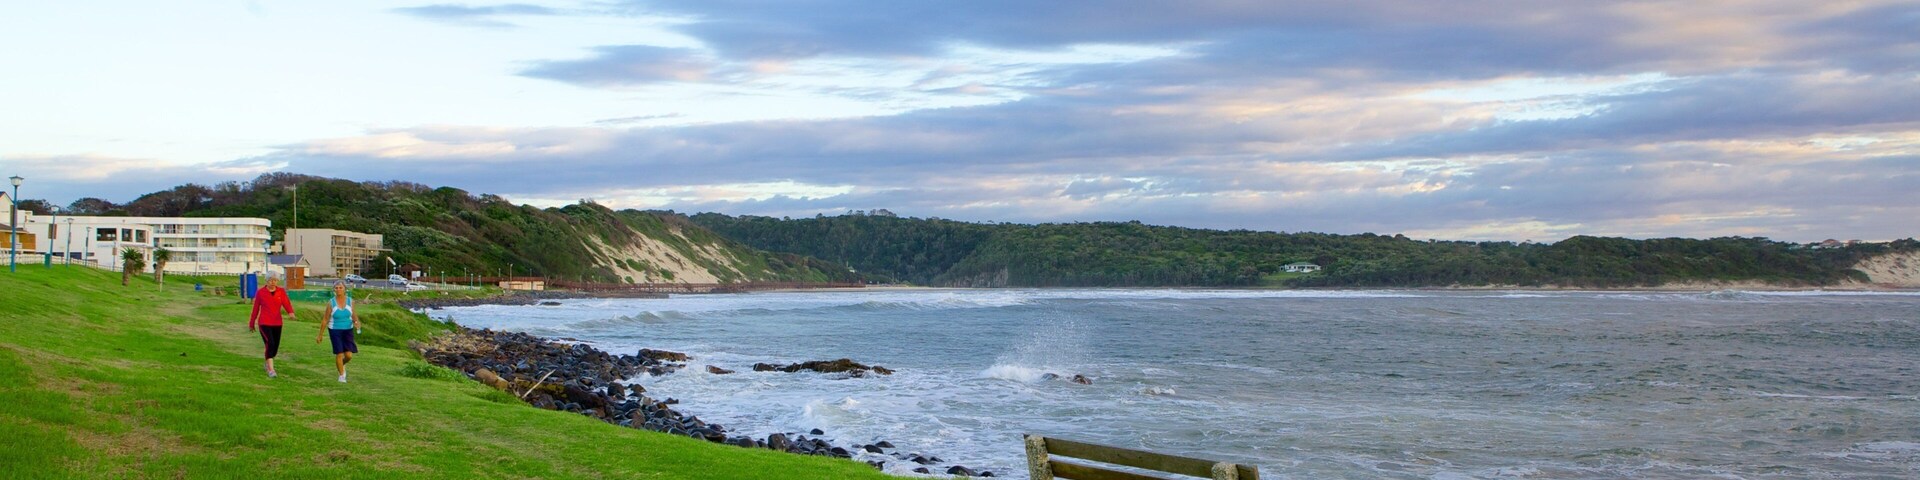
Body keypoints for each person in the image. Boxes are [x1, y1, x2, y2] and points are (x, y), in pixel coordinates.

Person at [248, 276, 294, 378]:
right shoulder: (261, 292)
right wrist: (252, 323)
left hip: (277, 323)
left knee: (275, 347)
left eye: (275, 280)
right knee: (270, 343)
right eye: (271, 280)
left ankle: (267, 362)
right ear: (267, 281)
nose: (273, 282)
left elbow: (286, 303)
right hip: (264, 323)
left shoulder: (281, 291)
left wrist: (290, 312)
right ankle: (271, 369)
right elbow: (255, 309)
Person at [316, 281, 362, 383]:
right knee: (339, 354)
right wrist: (320, 335)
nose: (338, 290)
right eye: (336, 288)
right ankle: (341, 376)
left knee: (349, 355)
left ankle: (341, 364)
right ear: (334, 290)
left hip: (348, 330)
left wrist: (356, 322)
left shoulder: (351, 301)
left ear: (345, 289)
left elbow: (354, 315)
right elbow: (325, 319)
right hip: (335, 330)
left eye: (340, 288)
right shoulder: (331, 303)